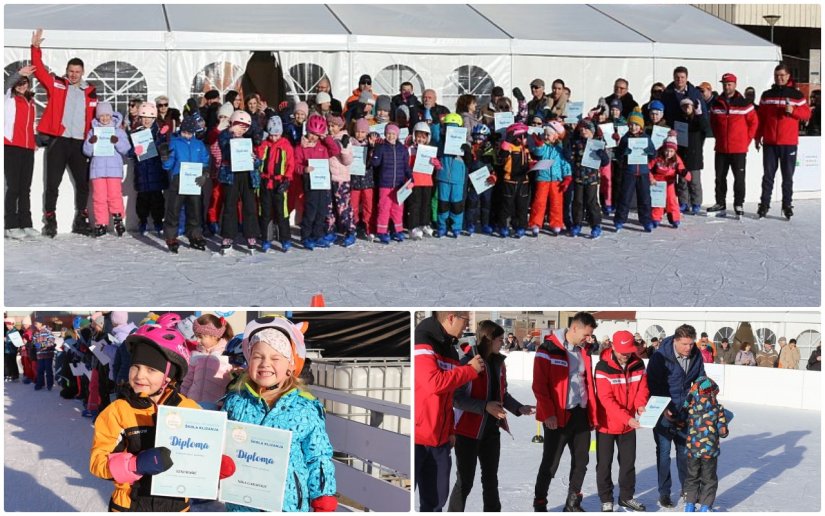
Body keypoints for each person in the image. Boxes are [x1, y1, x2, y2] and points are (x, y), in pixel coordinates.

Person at [221, 316, 337, 512]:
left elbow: (318, 456)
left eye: (276, 358)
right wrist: (220, 461)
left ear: (291, 365)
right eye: (258, 357)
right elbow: (221, 442)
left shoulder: (306, 407)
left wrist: (323, 494)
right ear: (248, 360)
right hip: (242, 503)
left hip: (289, 504)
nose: (265, 364)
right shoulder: (235, 402)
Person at [90, 325, 200, 512]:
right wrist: (134, 465)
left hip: (177, 507)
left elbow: (202, 454)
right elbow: (98, 462)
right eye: (135, 366)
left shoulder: (189, 410)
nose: (140, 375)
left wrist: (215, 467)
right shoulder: (118, 411)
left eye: (151, 369)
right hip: (130, 506)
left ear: (169, 376)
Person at [447, 320, 535, 512]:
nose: (502, 343)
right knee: (465, 482)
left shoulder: (499, 363)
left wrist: (519, 408)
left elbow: (502, 395)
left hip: (491, 430)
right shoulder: (468, 360)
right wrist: (485, 406)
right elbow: (456, 399)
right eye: (500, 339)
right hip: (467, 432)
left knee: (490, 480)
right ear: (488, 339)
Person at [415, 311, 484, 512]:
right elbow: (433, 384)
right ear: (451, 318)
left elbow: (448, 396)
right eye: (465, 319)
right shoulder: (422, 341)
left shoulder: (451, 350)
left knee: (436, 501)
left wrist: (450, 430)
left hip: (440, 439)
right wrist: (469, 370)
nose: (467, 324)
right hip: (417, 438)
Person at [31, 28, 97, 237]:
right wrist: (35, 48)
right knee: (52, 184)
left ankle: (81, 220)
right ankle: (50, 220)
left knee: (83, 184)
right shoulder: (57, 84)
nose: (73, 74)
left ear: (82, 72)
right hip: (58, 141)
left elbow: (99, 116)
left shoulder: (90, 91)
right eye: (71, 71)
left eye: (77, 71)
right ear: (67, 71)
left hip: (79, 143)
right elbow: (39, 70)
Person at [532, 312, 599, 512]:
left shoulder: (584, 351)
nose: (588, 339)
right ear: (575, 328)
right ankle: (540, 503)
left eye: (590, 336)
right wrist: (548, 413)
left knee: (581, 461)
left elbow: (587, 382)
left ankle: (572, 502)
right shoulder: (548, 349)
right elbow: (539, 386)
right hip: (557, 415)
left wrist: (592, 413)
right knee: (550, 464)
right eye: (586, 334)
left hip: (580, 413)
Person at [646, 324, 705, 509]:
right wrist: (664, 408)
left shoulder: (696, 355)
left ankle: (687, 489)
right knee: (664, 454)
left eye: (691, 344)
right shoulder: (660, 356)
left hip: (685, 412)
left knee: (684, 453)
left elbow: (700, 378)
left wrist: (702, 396)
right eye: (685, 344)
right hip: (664, 412)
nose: (689, 348)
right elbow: (653, 384)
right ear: (676, 341)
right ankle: (664, 493)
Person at [593, 330, 650, 512]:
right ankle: (606, 499)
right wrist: (627, 418)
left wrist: (641, 405)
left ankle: (626, 497)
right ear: (614, 347)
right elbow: (606, 399)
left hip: (628, 426)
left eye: (629, 351)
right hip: (607, 424)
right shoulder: (602, 367)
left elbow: (642, 388)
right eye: (622, 351)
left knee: (628, 463)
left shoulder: (638, 363)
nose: (626, 355)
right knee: (604, 464)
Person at [755, 62, 812, 220]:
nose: (779, 78)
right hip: (770, 143)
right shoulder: (767, 95)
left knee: (787, 176)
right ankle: (764, 205)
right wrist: (757, 136)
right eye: (776, 75)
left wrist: (793, 110)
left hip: (788, 143)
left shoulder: (796, 95)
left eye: (782, 75)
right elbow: (761, 118)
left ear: (788, 76)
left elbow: (807, 114)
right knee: (768, 176)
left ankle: (787, 205)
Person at [707, 73, 758, 217]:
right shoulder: (717, 103)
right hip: (721, 148)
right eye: (724, 84)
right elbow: (713, 123)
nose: (726, 86)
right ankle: (720, 203)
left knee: (739, 178)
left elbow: (754, 123)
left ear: (735, 85)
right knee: (719, 177)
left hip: (739, 149)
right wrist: (719, 138)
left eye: (729, 84)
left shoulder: (744, 103)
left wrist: (746, 140)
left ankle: (738, 203)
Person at [162, 115, 210, 253]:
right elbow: (168, 165)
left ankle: (195, 235)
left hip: (195, 180)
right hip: (179, 179)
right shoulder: (175, 142)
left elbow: (205, 161)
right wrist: (165, 158)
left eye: (190, 133)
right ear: (181, 130)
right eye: (184, 132)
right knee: (174, 209)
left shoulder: (199, 145)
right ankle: (171, 236)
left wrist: (205, 174)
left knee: (195, 209)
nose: (187, 135)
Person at [82, 102, 131, 237]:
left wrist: (117, 142)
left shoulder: (118, 131)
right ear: (98, 117)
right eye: (101, 115)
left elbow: (126, 149)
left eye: (107, 115)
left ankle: (118, 219)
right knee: (99, 197)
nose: (104, 118)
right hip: (97, 170)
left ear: (111, 115)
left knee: (115, 195)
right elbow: (86, 151)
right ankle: (101, 223)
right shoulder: (93, 131)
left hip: (114, 169)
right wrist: (90, 142)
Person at [681, 376, 729, 512]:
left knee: (692, 477)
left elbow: (682, 422)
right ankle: (705, 507)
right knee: (709, 479)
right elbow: (723, 431)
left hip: (692, 450)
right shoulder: (718, 408)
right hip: (709, 451)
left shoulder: (690, 407)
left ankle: (689, 506)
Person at [295, 114, 342, 250]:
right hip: (310, 182)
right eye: (311, 133)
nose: (313, 137)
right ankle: (306, 237)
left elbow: (336, 150)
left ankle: (318, 235)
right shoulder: (301, 147)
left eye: (316, 134)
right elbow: (295, 165)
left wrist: (325, 137)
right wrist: (304, 169)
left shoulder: (323, 146)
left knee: (322, 211)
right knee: (311, 211)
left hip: (323, 182)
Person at [4, 64, 38, 239]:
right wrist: (17, 74)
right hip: (11, 146)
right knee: (14, 188)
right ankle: (10, 225)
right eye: (19, 82)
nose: (22, 85)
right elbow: (7, 83)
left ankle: (26, 223)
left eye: (25, 82)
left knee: (26, 188)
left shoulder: (31, 102)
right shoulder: (7, 97)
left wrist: (34, 140)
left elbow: (31, 125)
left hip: (27, 148)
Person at [256, 115, 295, 252]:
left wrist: (287, 179)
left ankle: (285, 239)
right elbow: (258, 157)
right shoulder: (264, 144)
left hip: (280, 182)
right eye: (271, 135)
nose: (273, 138)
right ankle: (266, 238)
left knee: (281, 212)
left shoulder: (286, 146)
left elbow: (291, 165)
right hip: (265, 182)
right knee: (265, 212)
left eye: (276, 135)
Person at [614, 108, 656, 232]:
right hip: (629, 172)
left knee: (645, 198)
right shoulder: (625, 139)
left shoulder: (646, 138)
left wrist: (650, 152)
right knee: (625, 197)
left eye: (636, 124)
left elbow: (654, 154)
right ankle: (619, 220)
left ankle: (646, 221)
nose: (633, 127)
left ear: (641, 126)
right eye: (631, 124)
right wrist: (624, 153)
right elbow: (618, 155)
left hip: (643, 172)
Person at [527, 121, 572, 236]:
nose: (546, 137)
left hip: (556, 179)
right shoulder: (544, 147)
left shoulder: (560, 149)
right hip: (543, 178)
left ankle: (556, 223)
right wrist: (538, 144)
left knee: (556, 202)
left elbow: (564, 163)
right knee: (539, 202)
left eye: (549, 135)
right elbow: (539, 152)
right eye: (545, 134)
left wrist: (567, 176)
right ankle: (535, 223)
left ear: (555, 136)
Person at [180, 315, 234, 410]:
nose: (197, 340)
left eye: (201, 337)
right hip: (193, 404)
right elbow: (187, 381)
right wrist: (183, 398)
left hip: (216, 406)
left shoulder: (226, 355)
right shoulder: (196, 355)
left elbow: (232, 384)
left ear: (214, 336)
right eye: (196, 336)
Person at [130, 102, 168, 236]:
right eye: (144, 117)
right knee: (142, 200)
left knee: (157, 199)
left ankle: (158, 221)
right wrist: (135, 151)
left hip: (156, 173)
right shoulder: (135, 133)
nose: (146, 120)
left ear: (154, 119)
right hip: (142, 174)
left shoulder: (159, 132)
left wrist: (161, 138)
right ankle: (143, 221)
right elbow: (129, 153)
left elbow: (163, 149)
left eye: (150, 118)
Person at [371, 123, 412, 243]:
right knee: (384, 208)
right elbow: (375, 164)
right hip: (385, 184)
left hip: (399, 185)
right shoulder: (381, 147)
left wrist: (410, 177)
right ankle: (382, 231)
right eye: (388, 133)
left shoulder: (402, 149)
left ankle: (398, 230)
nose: (390, 136)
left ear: (397, 135)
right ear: (385, 134)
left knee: (397, 209)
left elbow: (406, 167)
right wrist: (375, 152)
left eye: (393, 134)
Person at [674, 98, 711, 215]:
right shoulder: (679, 120)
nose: (686, 108)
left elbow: (705, 127)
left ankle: (696, 203)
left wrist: (699, 114)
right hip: (682, 155)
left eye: (688, 106)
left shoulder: (697, 120)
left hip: (694, 156)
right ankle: (683, 202)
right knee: (682, 181)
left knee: (694, 182)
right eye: (684, 106)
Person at [325, 114, 356, 247]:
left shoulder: (344, 139)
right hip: (328, 177)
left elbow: (347, 161)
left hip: (341, 179)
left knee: (343, 207)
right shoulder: (327, 138)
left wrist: (343, 149)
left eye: (334, 126)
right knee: (329, 207)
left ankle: (350, 231)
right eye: (329, 125)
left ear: (340, 126)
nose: (331, 128)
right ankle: (330, 230)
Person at [495, 123, 531, 238]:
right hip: (510, 181)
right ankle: (503, 226)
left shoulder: (525, 149)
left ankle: (520, 226)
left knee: (521, 206)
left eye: (525, 137)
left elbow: (529, 161)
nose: (524, 139)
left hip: (523, 181)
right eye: (522, 136)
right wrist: (508, 141)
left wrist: (533, 164)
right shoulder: (509, 147)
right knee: (507, 205)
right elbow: (501, 156)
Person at [648, 132, 687, 229]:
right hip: (657, 183)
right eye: (667, 150)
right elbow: (648, 168)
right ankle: (655, 218)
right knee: (658, 202)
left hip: (669, 183)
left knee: (672, 200)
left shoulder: (676, 159)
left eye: (671, 151)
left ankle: (675, 218)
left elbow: (682, 169)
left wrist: (684, 173)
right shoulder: (657, 157)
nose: (668, 153)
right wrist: (651, 178)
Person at [31, 317, 56, 391]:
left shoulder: (48, 331)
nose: (35, 325)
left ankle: (50, 384)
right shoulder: (36, 332)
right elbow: (34, 341)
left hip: (47, 354)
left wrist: (42, 345)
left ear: (41, 323)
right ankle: (40, 384)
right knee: (40, 370)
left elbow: (51, 342)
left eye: (36, 323)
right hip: (39, 355)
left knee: (48, 370)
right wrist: (34, 343)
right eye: (35, 323)